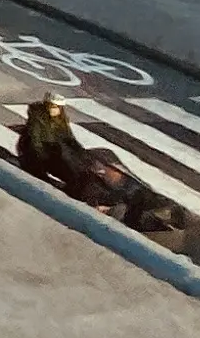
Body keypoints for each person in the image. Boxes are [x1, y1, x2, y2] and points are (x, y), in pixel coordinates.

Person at [12, 95, 190, 238]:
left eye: (59, 107)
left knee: (94, 165)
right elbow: (38, 150)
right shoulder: (36, 129)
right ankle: (118, 205)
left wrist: (78, 153)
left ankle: (135, 196)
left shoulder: (58, 122)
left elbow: (69, 140)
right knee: (85, 176)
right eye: (53, 106)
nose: (56, 110)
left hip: (65, 155)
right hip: (51, 158)